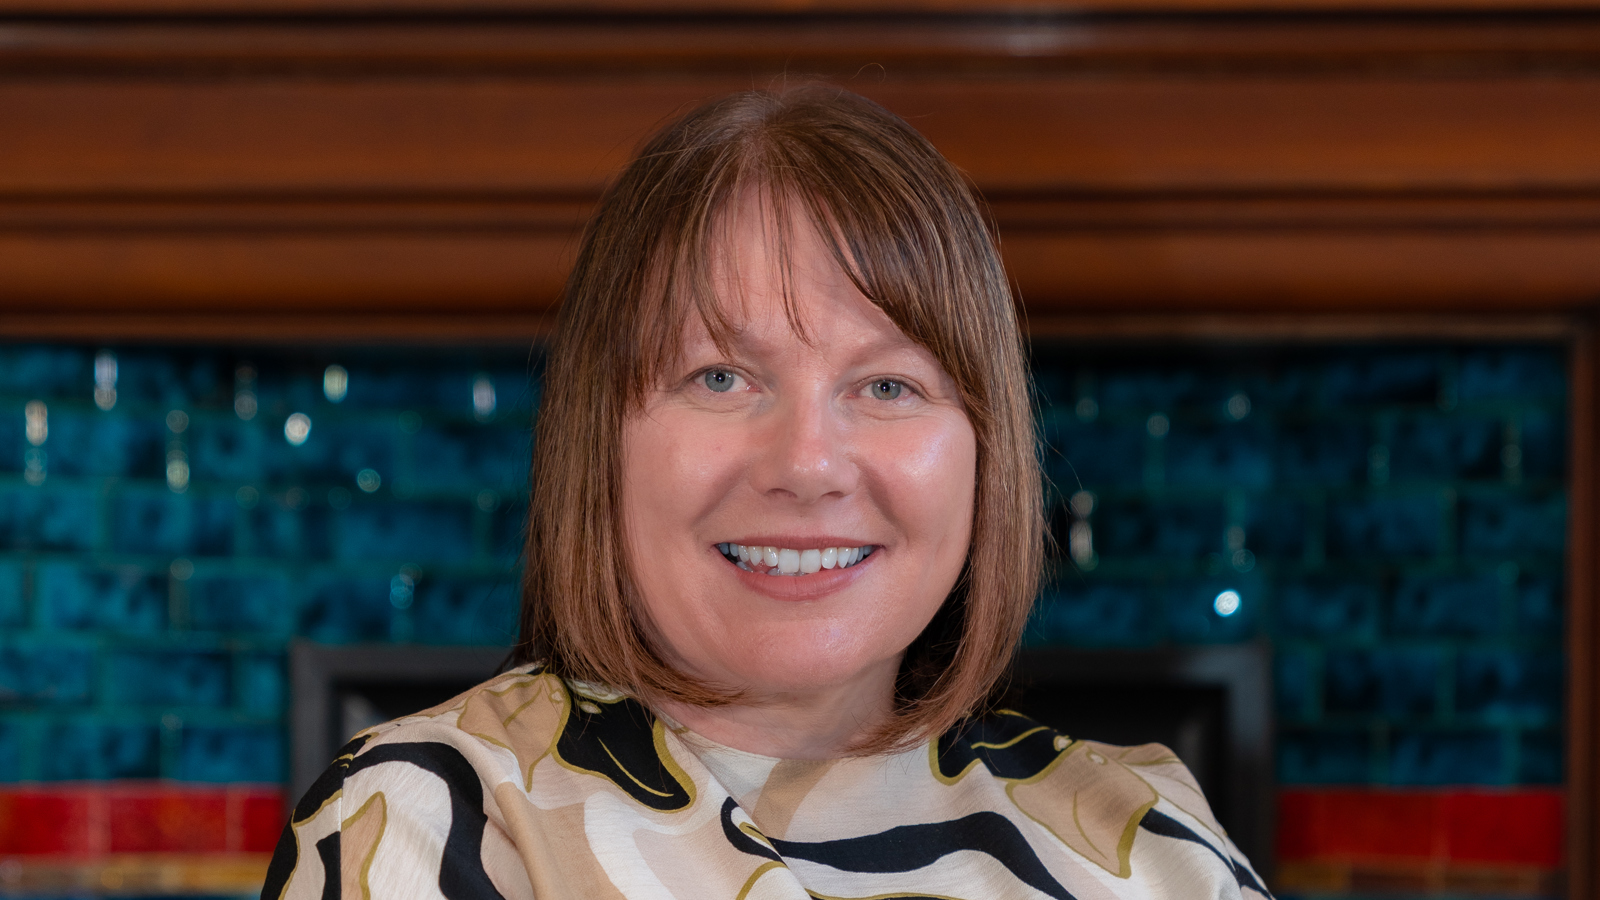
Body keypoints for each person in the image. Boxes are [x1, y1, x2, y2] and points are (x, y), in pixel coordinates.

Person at [262, 85, 1270, 900]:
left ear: (983, 448)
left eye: (886, 385)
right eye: (719, 378)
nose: (806, 463)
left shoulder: (1149, 839)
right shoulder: (433, 825)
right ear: (598, 438)